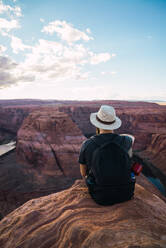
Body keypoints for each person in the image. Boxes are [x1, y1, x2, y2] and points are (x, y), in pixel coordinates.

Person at [78, 105, 135, 205]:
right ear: (114, 123)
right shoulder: (127, 141)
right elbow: (131, 140)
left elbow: (83, 173)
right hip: (126, 193)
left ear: (97, 124)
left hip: (101, 196)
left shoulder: (87, 145)